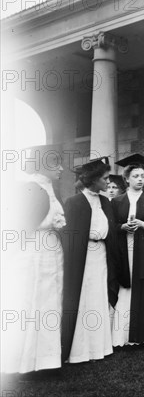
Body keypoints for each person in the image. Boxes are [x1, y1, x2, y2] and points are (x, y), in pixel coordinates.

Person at [1, 147, 65, 374]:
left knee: (48, 303)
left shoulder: (48, 188)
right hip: (33, 253)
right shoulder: (30, 187)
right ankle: (24, 363)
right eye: (56, 163)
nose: (61, 168)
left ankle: (45, 361)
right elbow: (19, 224)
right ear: (43, 164)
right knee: (32, 303)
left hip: (49, 252)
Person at [61, 157, 115, 364]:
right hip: (84, 257)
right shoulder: (74, 203)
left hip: (101, 254)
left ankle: (99, 347)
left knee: (99, 296)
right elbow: (70, 237)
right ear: (92, 180)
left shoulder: (105, 202)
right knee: (84, 297)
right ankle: (79, 351)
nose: (108, 182)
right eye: (105, 178)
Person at [111, 159, 144, 347]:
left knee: (143, 288)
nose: (140, 179)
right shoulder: (117, 201)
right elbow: (111, 227)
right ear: (127, 179)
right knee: (126, 287)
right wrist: (122, 227)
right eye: (135, 176)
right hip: (124, 248)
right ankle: (121, 335)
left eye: (142, 176)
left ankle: (143, 334)